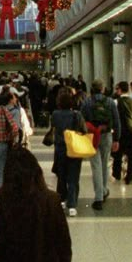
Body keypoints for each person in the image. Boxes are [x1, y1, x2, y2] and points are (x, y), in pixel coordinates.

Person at [81, 79, 121, 210]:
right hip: (106, 135)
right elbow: (116, 121)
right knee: (104, 164)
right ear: (103, 89)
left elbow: (82, 120)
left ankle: (98, 197)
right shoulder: (110, 102)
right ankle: (103, 191)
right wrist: (116, 139)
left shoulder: (87, 102)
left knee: (96, 166)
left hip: (92, 136)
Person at [50, 88, 88, 216]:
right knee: (73, 177)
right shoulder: (77, 115)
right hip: (74, 148)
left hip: (60, 149)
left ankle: (61, 200)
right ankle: (72, 205)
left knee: (62, 176)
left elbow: (54, 128)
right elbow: (84, 130)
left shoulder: (55, 114)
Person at [112, 81, 132, 185]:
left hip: (121, 131)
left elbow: (114, 118)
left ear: (119, 90)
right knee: (131, 155)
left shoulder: (116, 102)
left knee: (117, 154)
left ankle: (117, 174)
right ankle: (130, 176)